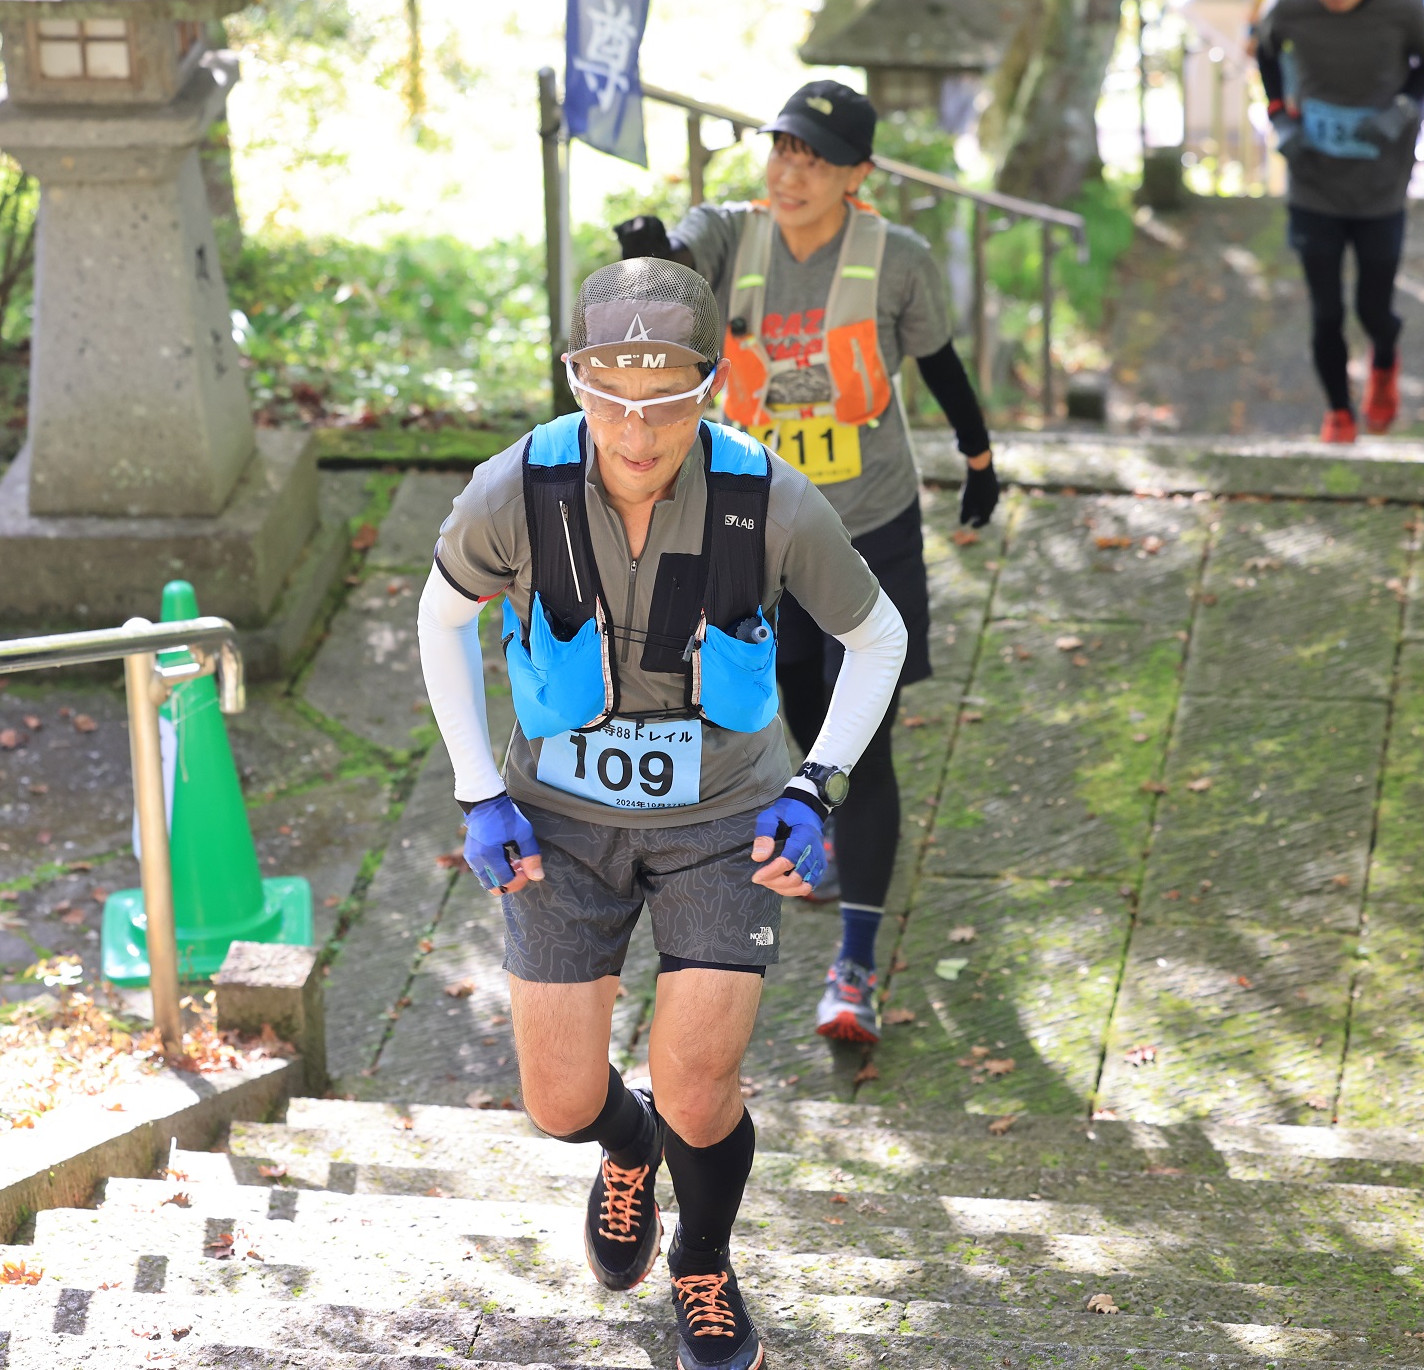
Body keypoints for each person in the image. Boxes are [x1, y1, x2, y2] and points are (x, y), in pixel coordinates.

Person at [416, 258, 906, 1370]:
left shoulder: (769, 497)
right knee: (557, 1097)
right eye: (611, 398)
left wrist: (813, 782)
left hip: (724, 814)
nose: (637, 431)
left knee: (698, 1074)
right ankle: (622, 1142)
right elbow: (439, 619)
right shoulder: (516, 489)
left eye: (666, 400)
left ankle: (704, 1259)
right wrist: (477, 787)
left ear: (711, 385)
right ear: (577, 383)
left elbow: (878, 637)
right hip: (556, 819)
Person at [613, 78, 996, 1049]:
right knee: (787, 697)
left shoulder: (896, 260)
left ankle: (855, 966)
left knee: (859, 745)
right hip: (757, 524)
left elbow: (942, 365)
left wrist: (980, 460)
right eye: (780, 148)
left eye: (814, 158)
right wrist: (650, 261)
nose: (788, 171)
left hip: (869, 522)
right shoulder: (728, 232)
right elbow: (672, 275)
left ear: (856, 176)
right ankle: (819, 835)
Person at [1256, 0, 1424, 445]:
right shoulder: (1290, 9)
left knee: (1373, 307)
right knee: (1326, 310)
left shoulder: (1402, 10)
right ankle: (1338, 411)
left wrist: (1402, 112)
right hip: (1313, 180)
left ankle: (1384, 362)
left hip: (1381, 185)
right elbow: (1265, 57)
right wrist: (1279, 117)